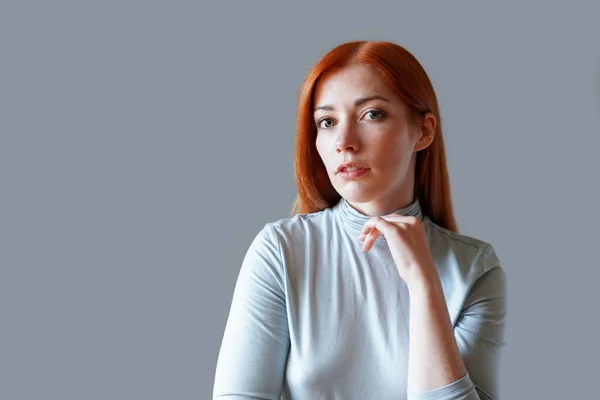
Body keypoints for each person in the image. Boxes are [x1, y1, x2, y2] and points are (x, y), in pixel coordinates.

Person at [212, 40, 507, 400]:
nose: (345, 142)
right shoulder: (281, 251)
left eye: (372, 114)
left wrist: (424, 283)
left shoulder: (475, 270)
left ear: (423, 131)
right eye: (327, 122)